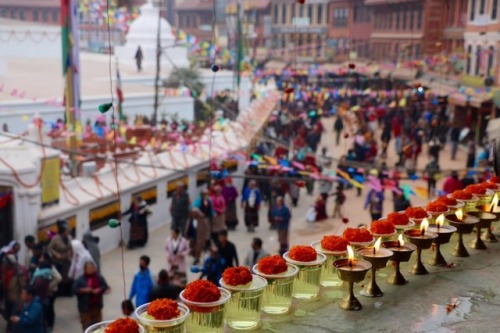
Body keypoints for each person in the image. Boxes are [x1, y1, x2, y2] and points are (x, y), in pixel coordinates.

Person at [72, 261, 109, 330]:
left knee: (98, 326)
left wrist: (99, 289)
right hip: (85, 308)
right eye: (89, 268)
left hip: (96, 307)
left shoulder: (98, 277)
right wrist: (84, 290)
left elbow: (105, 286)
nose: (91, 270)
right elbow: (74, 289)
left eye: (92, 268)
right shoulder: (80, 279)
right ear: (85, 269)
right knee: (87, 326)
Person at [1, 254, 29, 332]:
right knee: (6, 313)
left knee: (14, 317)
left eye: (5, 263)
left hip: (16, 299)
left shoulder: (19, 273)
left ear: (9, 264)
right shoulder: (4, 270)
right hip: (6, 297)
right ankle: (9, 324)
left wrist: (21, 301)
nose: (3, 264)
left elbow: (24, 288)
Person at [47, 220, 73, 296]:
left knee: (68, 276)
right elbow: (49, 248)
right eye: (66, 231)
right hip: (58, 260)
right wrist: (56, 254)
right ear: (62, 232)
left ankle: (68, 292)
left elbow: (71, 246)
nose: (68, 232)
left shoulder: (70, 237)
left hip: (67, 259)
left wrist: (70, 252)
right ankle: (60, 292)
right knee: (60, 276)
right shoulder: (55, 239)